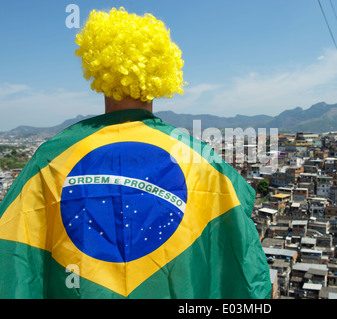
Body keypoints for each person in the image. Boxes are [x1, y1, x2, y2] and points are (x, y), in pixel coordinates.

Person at [0, 7, 271, 299]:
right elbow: (244, 264)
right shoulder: (201, 159)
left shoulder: (51, 158)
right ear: (163, 74)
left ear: (99, 71)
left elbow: (15, 261)